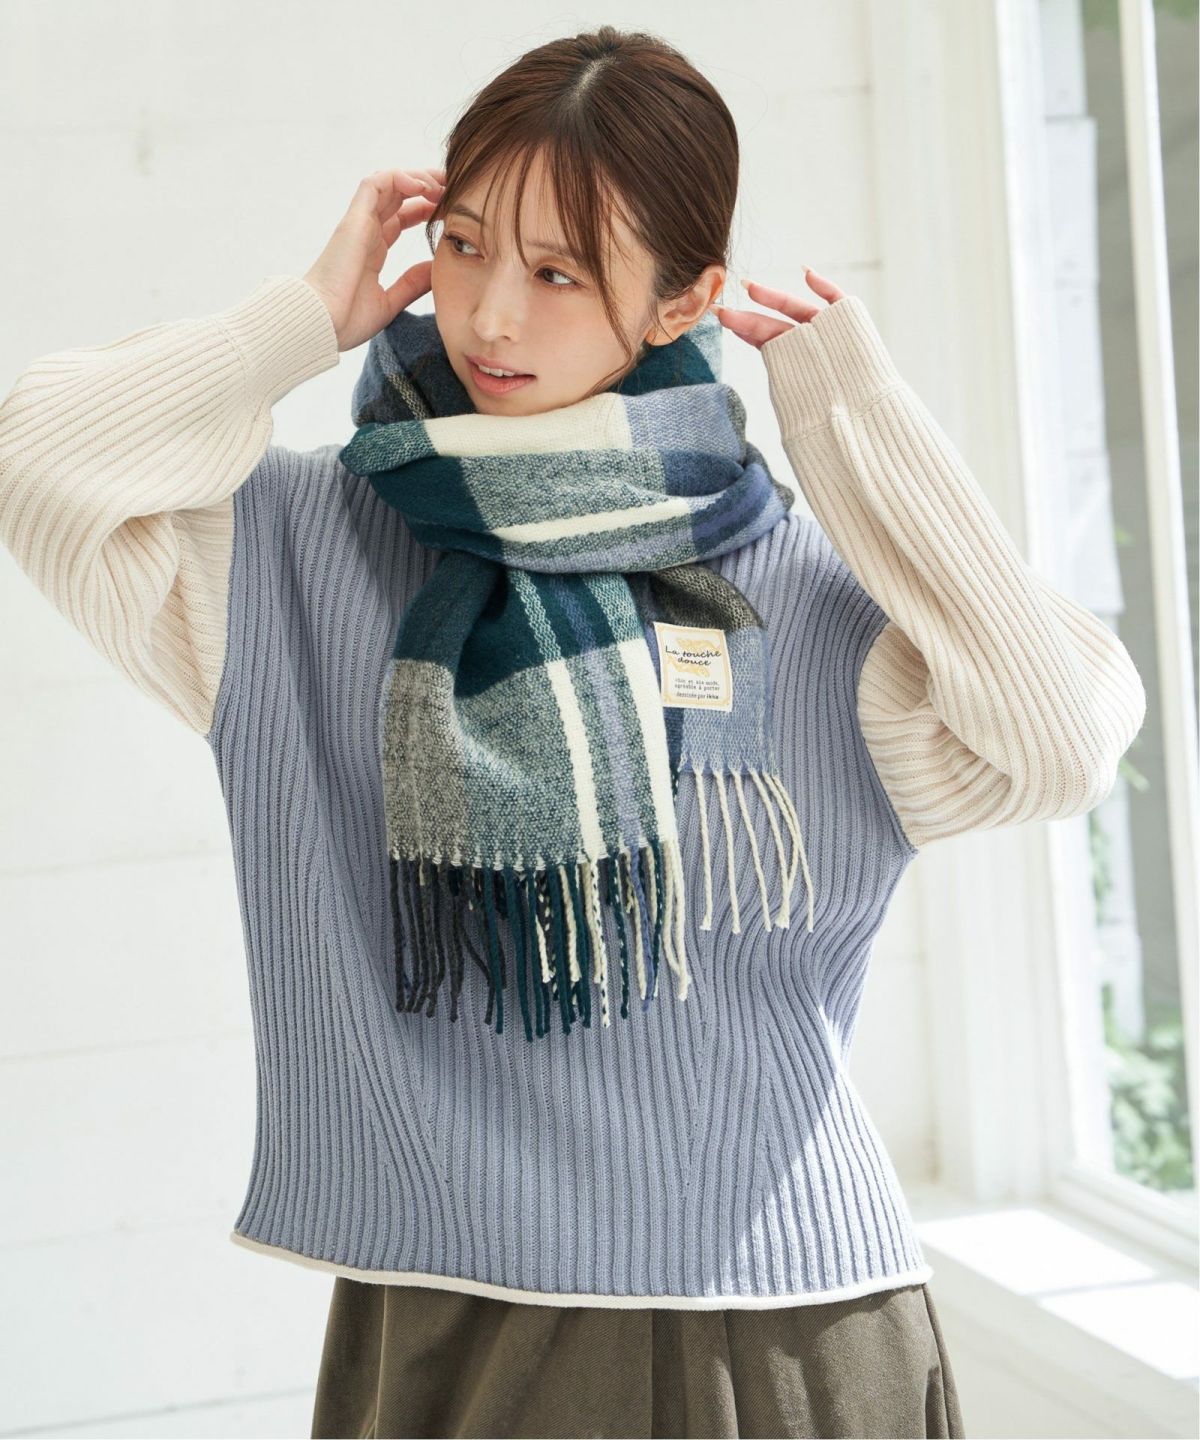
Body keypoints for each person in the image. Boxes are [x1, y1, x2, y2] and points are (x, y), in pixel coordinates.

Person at [0, 24, 1145, 1440]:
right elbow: (41, 462)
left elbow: (1061, 737)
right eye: (465, 246)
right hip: (442, 1313)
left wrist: (858, 429)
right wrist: (297, 318)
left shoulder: (793, 594)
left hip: (779, 1332)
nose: (490, 317)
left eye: (559, 273)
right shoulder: (299, 557)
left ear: (684, 301)